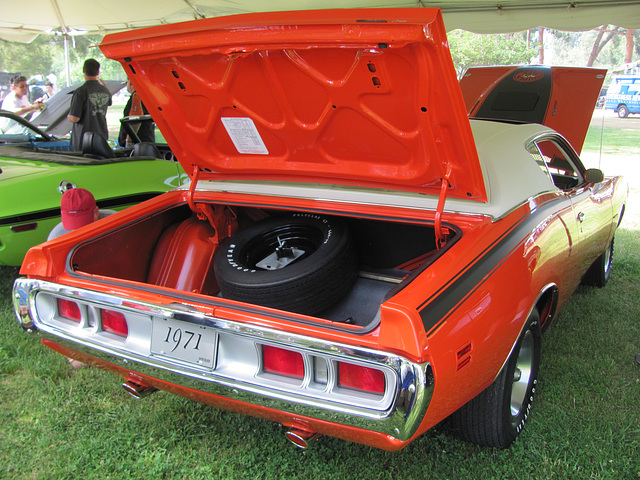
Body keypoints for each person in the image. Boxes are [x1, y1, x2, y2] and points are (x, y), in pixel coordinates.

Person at [67, 59, 112, 151]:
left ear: (83, 70)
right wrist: (103, 85)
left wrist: (68, 116)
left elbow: (75, 118)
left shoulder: (80, 91)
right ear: (98, 72)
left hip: (83, 139)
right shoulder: (105, 91)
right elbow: (110, 101)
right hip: (101, 137)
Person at [47, 187, 115, 240]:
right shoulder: (56, 237)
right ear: (62, 215)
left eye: (84, 225)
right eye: (72, 224)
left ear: (96, 212)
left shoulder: (115, 223)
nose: (78, 230)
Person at [117, 79, 155, 147]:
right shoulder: (147, 97)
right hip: (147, 141)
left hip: (137, 143)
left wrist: (129, 141)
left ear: (131, 83)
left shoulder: (136, 96)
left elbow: (135, 119)